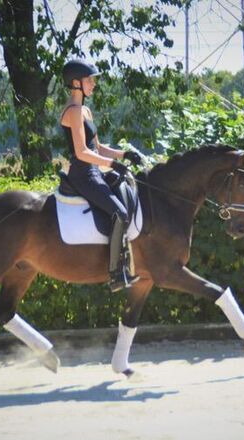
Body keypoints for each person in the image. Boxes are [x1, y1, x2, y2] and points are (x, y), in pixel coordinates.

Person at [60, 58, 145, 292]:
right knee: (119, 212)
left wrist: (124, 154)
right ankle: (116, 274)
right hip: (83, 175)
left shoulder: (85, 110)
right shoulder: (73, 112)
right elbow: (82, 152)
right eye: (89, 80)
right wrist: (111, 164)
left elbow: (98, 147)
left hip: (95, 171)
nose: (93, 84)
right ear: (76, 83)